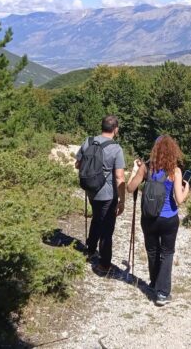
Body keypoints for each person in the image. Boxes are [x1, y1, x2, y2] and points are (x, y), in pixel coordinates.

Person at [127, 135, 190, 306]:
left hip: (149, 218)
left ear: (154, 150)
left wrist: (134, 170)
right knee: (167, 253)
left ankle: (154, 284)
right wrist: (187, 189)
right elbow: (179, 199)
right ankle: (162, 293)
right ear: (173, 151)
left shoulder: (146, 168)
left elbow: (130, 188)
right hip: (169, 219)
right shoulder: (175, 171)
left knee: (152, 251)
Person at [75, 115, 126, 274]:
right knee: (107, 229)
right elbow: (119, 177)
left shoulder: (88, 141)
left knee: (96, 219)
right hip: (107, 195)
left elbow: (78, 164)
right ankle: (104, 264)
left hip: (90, 191)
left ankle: (90, 250)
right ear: (115, 129)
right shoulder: (116, 148)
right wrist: (122, 200)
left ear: (102, 126)